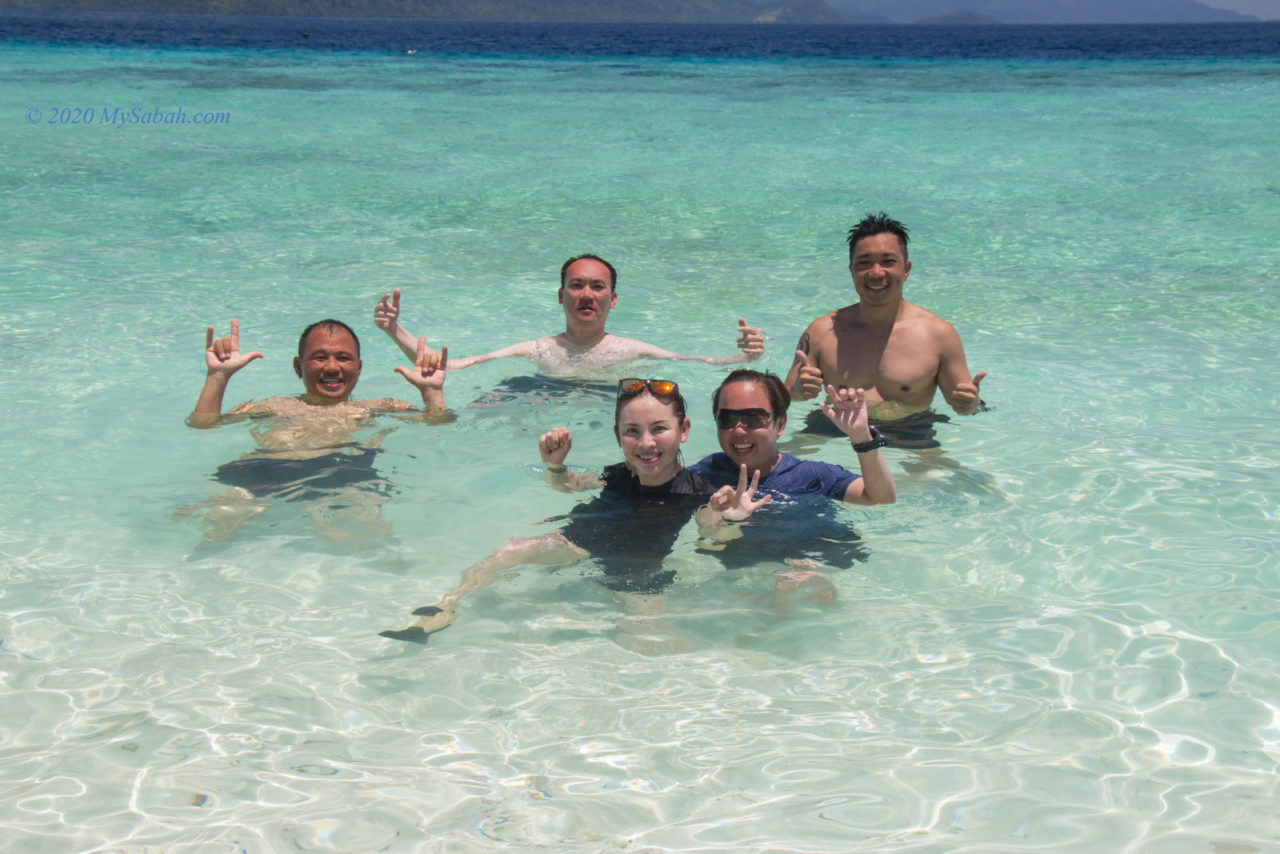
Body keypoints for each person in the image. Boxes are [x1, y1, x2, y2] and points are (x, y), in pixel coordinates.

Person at [380, 377, 767, 645]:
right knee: (510, 550)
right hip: (580, 543)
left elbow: (711, 537)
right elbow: (567, 485)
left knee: (645, 635)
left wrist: (730, 520)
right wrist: (554, 466)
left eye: (659, 429)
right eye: (632, 431)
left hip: (638, 569)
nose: (646, 443)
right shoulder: (615, 475)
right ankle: (444, 610)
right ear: (618, 437)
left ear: (683, 431)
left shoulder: (697, 490)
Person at [181, 318, 449, 543]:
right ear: (298, 366)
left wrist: (431, 393)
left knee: (373, 542)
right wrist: (217, 376)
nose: (332, 367)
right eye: (319, 358)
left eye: (343, 358)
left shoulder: (379, 407)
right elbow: (203, 424)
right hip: (265, 472)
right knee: (211, 535)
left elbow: (438, 424)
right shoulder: (273, 407)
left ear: (359, 368)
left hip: (346, 474)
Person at [373, 254, 766, 378]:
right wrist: (396, 331)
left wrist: (748, 358)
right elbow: (453, 366)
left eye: (598, 287)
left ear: (613, 300)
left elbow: (706, 365)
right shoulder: (538, 350)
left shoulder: (632, 351)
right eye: (576, 286)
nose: (587, 294)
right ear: (561, 296)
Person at [784, 212, 987, 435]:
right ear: (851, 270)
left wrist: (972, 404)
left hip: (912, 430)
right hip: (837, 427)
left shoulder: (938, 334)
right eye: (864, 263)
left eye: (888, 262)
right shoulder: (822, 331)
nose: (876, 273)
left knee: (946, 471)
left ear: (906, 269)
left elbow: (966, 405)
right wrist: (796, 391)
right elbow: (783, 397)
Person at [690, 369, 896, 505]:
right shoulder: (707, 472)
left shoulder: (811, 476)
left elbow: (880, 497)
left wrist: (861, 436)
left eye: (753, 418)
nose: (739, 430)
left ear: (780, 424)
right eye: (727, 418)